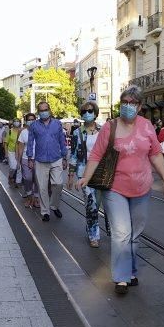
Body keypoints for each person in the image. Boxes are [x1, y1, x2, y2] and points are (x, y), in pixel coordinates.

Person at [79, 86, 164, 294]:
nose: (128, 107)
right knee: (122, 232)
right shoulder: (109, 127)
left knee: (134, 234)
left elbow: (155, 154)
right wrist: (86, 177)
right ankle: (121, 277)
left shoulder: (147, 126)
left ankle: (131, 270)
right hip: (115, 187)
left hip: (142, 187)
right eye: (125, 103)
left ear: (139, 106)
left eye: (132, 103)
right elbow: (95, 155)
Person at [27, 101, 68, 222]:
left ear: (49, 110)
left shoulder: (57, 124)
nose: (44, 112)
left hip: (56, 158)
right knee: (43, 188)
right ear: (38, 112)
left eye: (46, 109)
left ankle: (54, 206)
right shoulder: (34, 125)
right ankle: (45, 212)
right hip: (40, 160)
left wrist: (64, 157)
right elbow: (30, 143)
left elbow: (62, 140)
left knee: (58, 184)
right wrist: (30, 158)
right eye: (41, 110)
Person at [69, 101, 102, 247]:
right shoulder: (77, 133)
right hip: (83, 173)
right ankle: (93, 235)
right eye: (84, 112)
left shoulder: (103, 130)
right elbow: (74, 154)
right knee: (91, 204)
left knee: (100, 204)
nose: (87, 113)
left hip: (101, 172)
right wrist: (71, 176)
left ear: (95, 112)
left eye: (89, 111)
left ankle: (93, 227)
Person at [18, 113, 40, 209]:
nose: (31, 121)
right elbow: (20, 147)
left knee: (37, 179)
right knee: (27, 178)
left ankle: (35, 198)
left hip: (39, 159)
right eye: (29, 119)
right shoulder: (23, 132)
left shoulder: (40, 131)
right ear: (26, 121)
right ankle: (29, 196)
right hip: (26, 159)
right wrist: (19, 161)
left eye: (33, 119)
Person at [6, 119, 21, 187]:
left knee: (19, 168)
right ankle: (10, 176)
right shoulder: (9, 131)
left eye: (18, 121)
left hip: (20, 151)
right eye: (15, 121)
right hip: (11, 151)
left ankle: (17, 182)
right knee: (13, 167)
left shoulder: (21, 130)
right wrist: (6, 153)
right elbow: (6, 143)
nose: (16, 123)